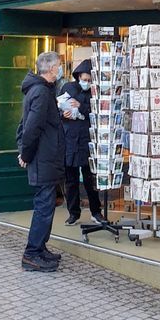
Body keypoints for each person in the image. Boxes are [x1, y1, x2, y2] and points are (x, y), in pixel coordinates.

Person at [17, 51, 66, 273]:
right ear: (51, 68)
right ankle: (32, 254)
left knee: (47, 205)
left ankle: (40, 248)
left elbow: (26, 125)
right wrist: (25, 154)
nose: (61, 69)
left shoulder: (41, 91)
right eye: (60, 65)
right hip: (43, 159)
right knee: (44, 207)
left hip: (47, 158)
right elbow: (30, 128)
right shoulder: (41, 93)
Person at [60, 60, 104, 226]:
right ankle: (73, 213)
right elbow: (58, 109)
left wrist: (81, 106)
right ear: (78, 77)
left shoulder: (95, 91)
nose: (87, 82)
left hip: (88, 140)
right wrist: (64, 114)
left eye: (89, 80)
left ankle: (96, 211)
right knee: (70, 180)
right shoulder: (68, 88)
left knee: (89, 179)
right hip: (70, 139)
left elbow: (98, 110)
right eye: (85, 79)